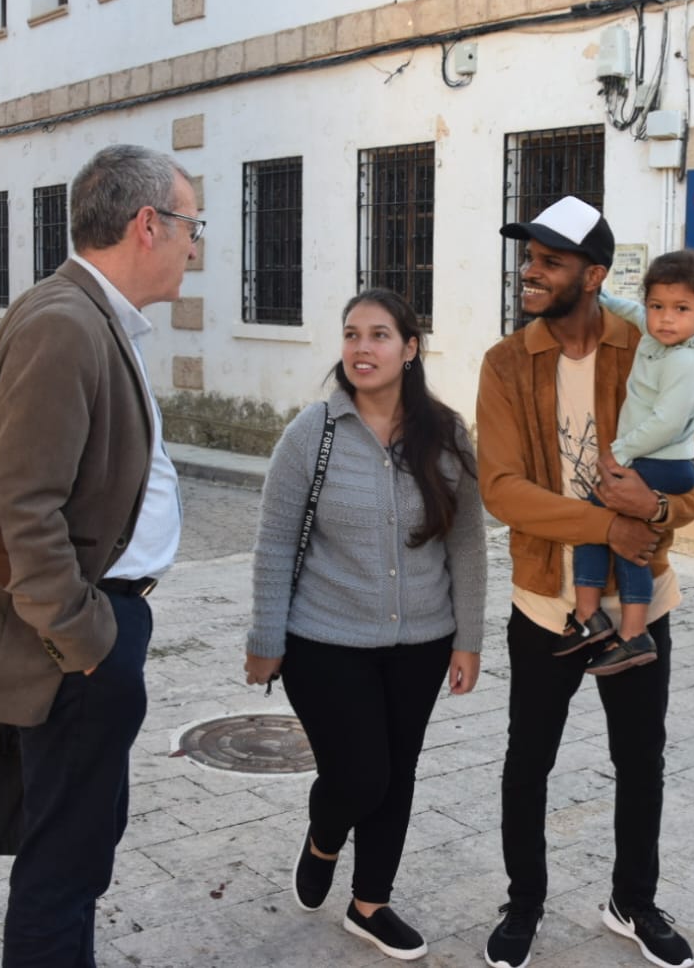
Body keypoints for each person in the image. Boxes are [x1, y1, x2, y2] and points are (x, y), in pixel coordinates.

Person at [0, 144, 200, 967]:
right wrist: (86, 642)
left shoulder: (91, 315)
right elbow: (15, 505)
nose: (196, 245)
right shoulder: (65, 322)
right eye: (191, 225)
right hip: (74, 642)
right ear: (146, 224)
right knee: (63, 865)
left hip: (97, 626)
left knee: (78, 850)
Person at [478, 196, 694, 968]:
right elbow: (501, 489)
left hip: (641, 604)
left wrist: (652, 508)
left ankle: (634, 901)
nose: (531, 271)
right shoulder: (506, 362)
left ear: (593, 273)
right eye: (529, 257)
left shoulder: (652, 342)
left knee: (640, 758)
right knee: (529, 762)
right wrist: (606, 526)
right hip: (546, 601)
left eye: (548, 260)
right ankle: (524, 904)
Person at [244, 288, 485, 962]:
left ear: (410, 349)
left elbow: (466, 544)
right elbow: (272, 543)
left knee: (396, 772)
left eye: (378, 335)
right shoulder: (311, 434)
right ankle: (325, 838)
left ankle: (368, 902)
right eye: (351, 334)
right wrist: (265, 640)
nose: (361, 348)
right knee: (359, 775)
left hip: (423, 641)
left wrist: (468, 636)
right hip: (324, 641)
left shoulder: (446, 434)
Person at [565, 249, 694, 676]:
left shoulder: (685, 362)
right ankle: (621, 629)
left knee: (598, 520)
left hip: (662, 461)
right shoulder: (656, 338)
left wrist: (621, 452)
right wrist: (605, 296)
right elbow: (630, 311)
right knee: (622, 531)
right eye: (658, 307)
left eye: (681, 309)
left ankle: (598, 620)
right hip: (654, 457)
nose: (666, 319)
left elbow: (667, 422)